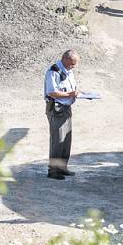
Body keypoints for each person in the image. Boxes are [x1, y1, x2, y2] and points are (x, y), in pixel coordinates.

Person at [44, 49, 80, 180]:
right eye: (72, 64)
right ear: (65, 59)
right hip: (57, 109)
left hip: (66, 108)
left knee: (66, 140)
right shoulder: (53, 72)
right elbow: (52, 92)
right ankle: (53, 171)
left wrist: (75, 93)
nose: (73, 67)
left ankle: (62, 167)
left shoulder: (68, 71)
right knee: (58, 141)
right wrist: (69, 95)